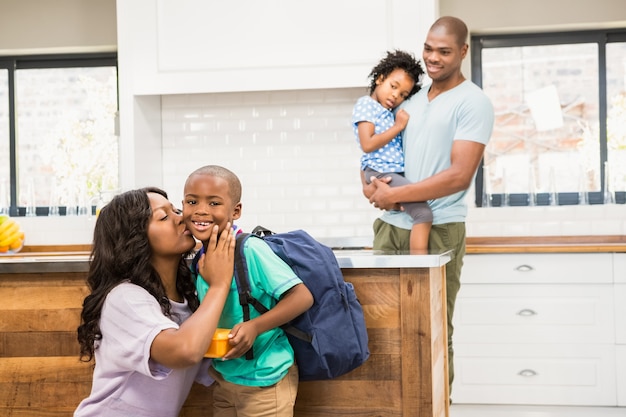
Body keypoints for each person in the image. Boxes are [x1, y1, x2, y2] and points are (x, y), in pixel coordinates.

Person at [364, 16, 495, 389]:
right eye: (428, 48)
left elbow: (459, 175)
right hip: (391, 228)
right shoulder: (412, 99)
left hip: (439, 230)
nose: (432, 58)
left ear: (463, 52)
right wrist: (373, 187)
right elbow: (388, 152)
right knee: (384, 331)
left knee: (432, 330)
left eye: (444, 51)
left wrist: (396, 195)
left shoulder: (473, 103)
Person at [75, 187, 234, 417]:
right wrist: (220, 285)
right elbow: (185, 351)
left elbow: (205, 364)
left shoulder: (187, 300)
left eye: (177, 210)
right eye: (165, 216)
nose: (183, 218)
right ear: (134, 238)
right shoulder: (124, 298)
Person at [182, 165, 314, 417]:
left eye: (214, 203)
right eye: (192, 201)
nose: (200, 210)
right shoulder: (199, 258)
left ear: (236, 211)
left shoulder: (250, 251)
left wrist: (255, 327)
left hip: (266, 378)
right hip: (225, 378)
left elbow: (302, 296)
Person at [353, 49, 432, 254]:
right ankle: (421, 268)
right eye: (393, 86)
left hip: (384, 173)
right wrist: (398, 126)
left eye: (403, 94)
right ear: (380, 78)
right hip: (382, 173)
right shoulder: (366, 105)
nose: (396, 95)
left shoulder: (384, 111)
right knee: (423, 214)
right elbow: (367, 144)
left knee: (408, 208)